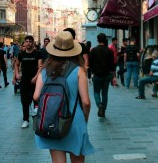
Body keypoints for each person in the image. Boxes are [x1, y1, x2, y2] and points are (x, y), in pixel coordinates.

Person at [33, 31, 94, 162]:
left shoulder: (44, 70)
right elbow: (86, 102)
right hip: (74, 119)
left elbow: (36, 96)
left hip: (53, 121)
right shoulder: (79, 70)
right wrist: (85, 118)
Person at [14, 35, 42, 128]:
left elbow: (40, 67)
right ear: (24, 43)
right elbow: (17, 64)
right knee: (24, 101)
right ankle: (25, 119)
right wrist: (17, 74)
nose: (28, 43)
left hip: (35, 80)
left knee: (36, 99)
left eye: (30, 41)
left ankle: (37, 119)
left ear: (33, 42)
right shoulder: (21, 54)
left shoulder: (37, 53)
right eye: (27, 41)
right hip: (24, 80)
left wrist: (36, 77)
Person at [89, 33, 115, 118]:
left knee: (96, 92)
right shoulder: (109, 50)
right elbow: (112, 64)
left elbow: (90, 63)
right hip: (107, 75)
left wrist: (92, 71)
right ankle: (103, 110)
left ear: (97, 40)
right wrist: (113, 75)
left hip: (97, 75)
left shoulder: (94, 50)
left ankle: (99, 104)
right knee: (104, 93)